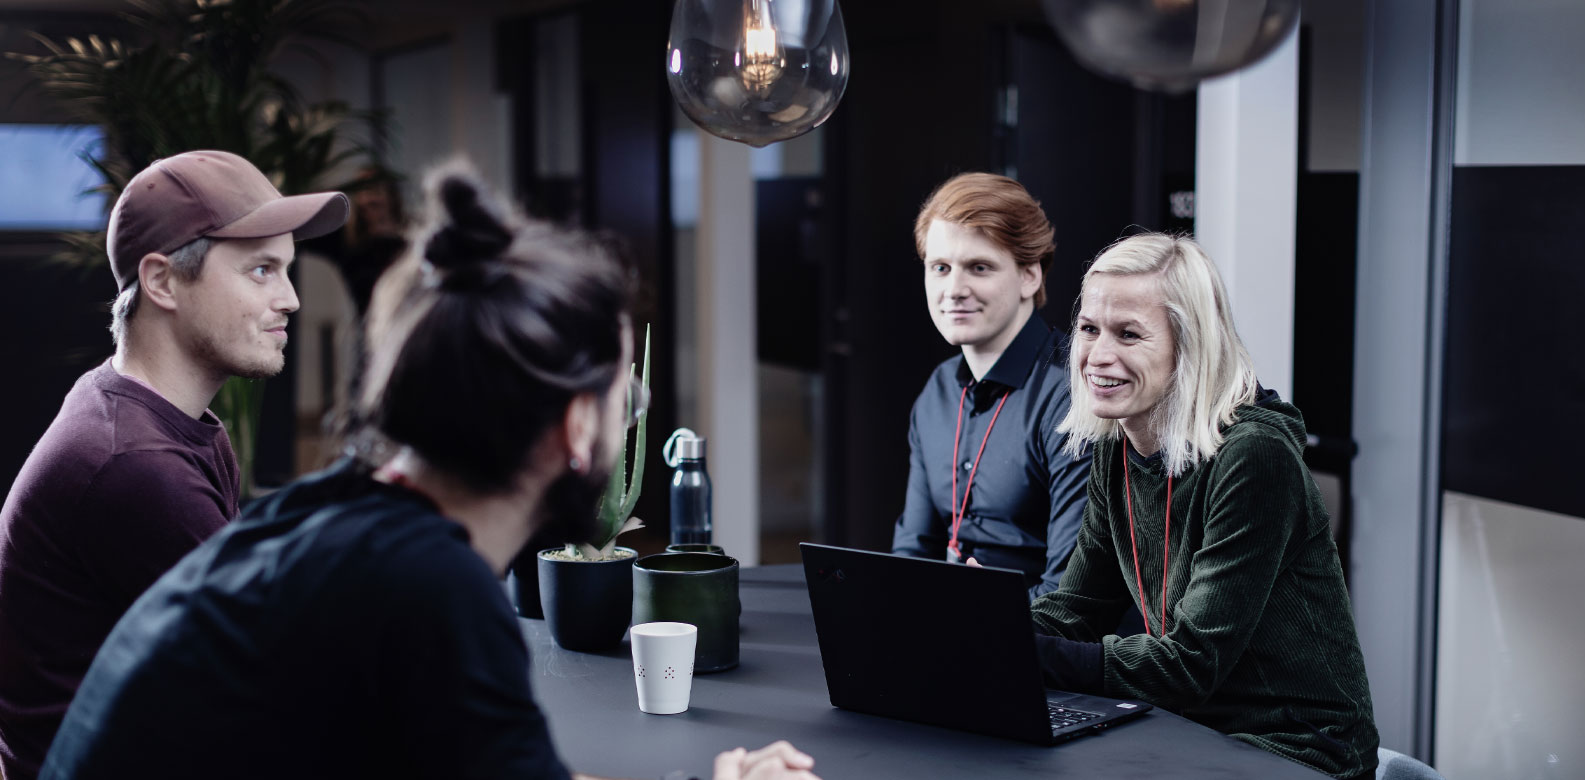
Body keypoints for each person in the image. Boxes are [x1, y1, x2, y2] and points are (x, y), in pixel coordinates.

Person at [38, 167, 820, 780]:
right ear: (575, 427)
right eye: (623, 392)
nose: (635, 408)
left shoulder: (334, 503)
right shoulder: (432, 585)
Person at [0, 150, 348, 779]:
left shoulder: (140, 408)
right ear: (161, 282)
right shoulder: (134, 463)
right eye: (262, 271)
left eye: (287, 270)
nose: (291, 299)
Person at [1028, 233, 1379, 778]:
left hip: (1299, 749)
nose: (1098, 355)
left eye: (1129, 334)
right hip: (1188, 730)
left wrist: (1022, 650)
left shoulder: (1253, 456)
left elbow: (1190, 665)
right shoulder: (1116, 446)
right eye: (1089, 329)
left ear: (1188, 346)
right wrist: (988, 625)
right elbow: (1076, 609)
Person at [891, 172, 1091, 598]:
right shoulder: (939, 391)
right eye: (940, 268)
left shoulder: (1074, 395)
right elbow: (912, 551)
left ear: (1029, 276)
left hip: (1040, 645)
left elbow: (1068, 595)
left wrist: (976, 620)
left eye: (979, 268)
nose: (953, 290)